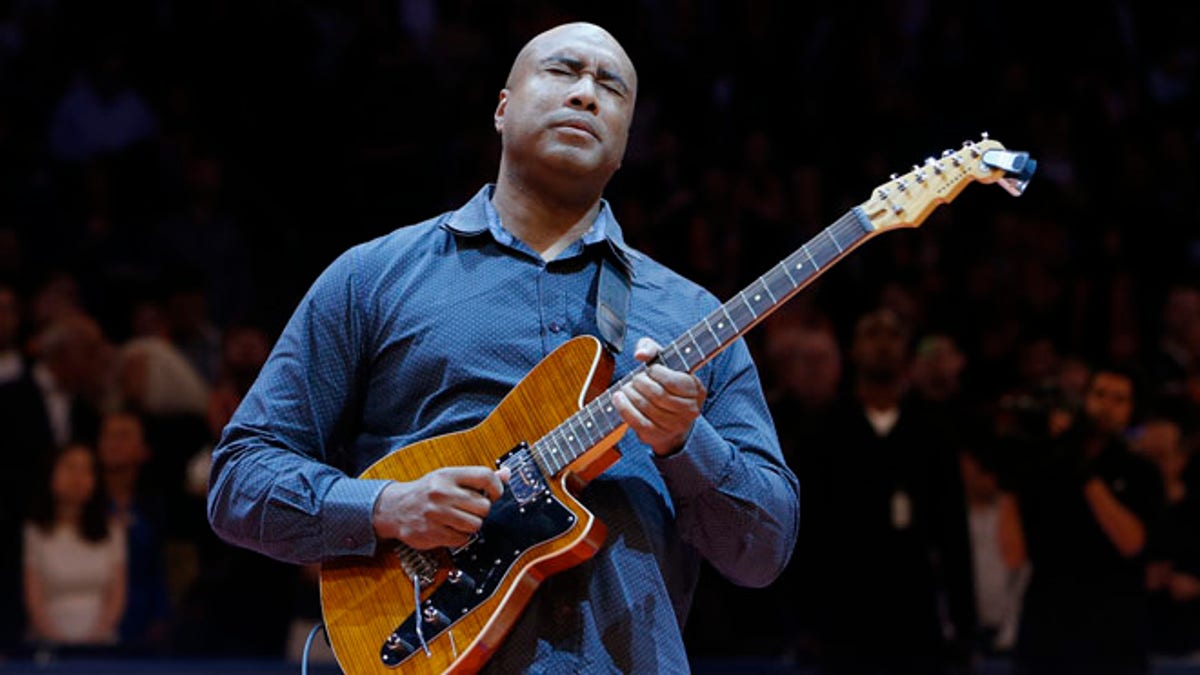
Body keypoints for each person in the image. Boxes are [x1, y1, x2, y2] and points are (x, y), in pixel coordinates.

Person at [207, 21, 799, 672]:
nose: (585, 94)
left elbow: (762, 549)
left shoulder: (690, 316)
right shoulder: (373, 277)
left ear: (626, 144)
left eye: (611, 87)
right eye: (562, 71)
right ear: (502, 106)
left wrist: (687, 441)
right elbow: (240, 478)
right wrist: (386, 507)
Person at [998, 365, 1164, 675]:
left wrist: (1083, 472)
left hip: (1114, 631)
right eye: (1099, 394)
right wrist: (1011, 479)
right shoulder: (1045, 463)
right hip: (1048, 627)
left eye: (1119, 399)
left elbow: (1133, 544)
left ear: (1131, 410)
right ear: (1083, 399)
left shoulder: (1142, 472)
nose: (1106, 407)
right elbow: (1013, 555)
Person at [23, 443, 127, 647]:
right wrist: (56, 642)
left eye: (85, 470)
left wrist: (95, 638)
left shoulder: (112, 531)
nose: (77, 478)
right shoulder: (35, 532)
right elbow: (33, 598)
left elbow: (116, 595)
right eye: (70, 467)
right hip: (47, 643)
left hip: (101, 641)